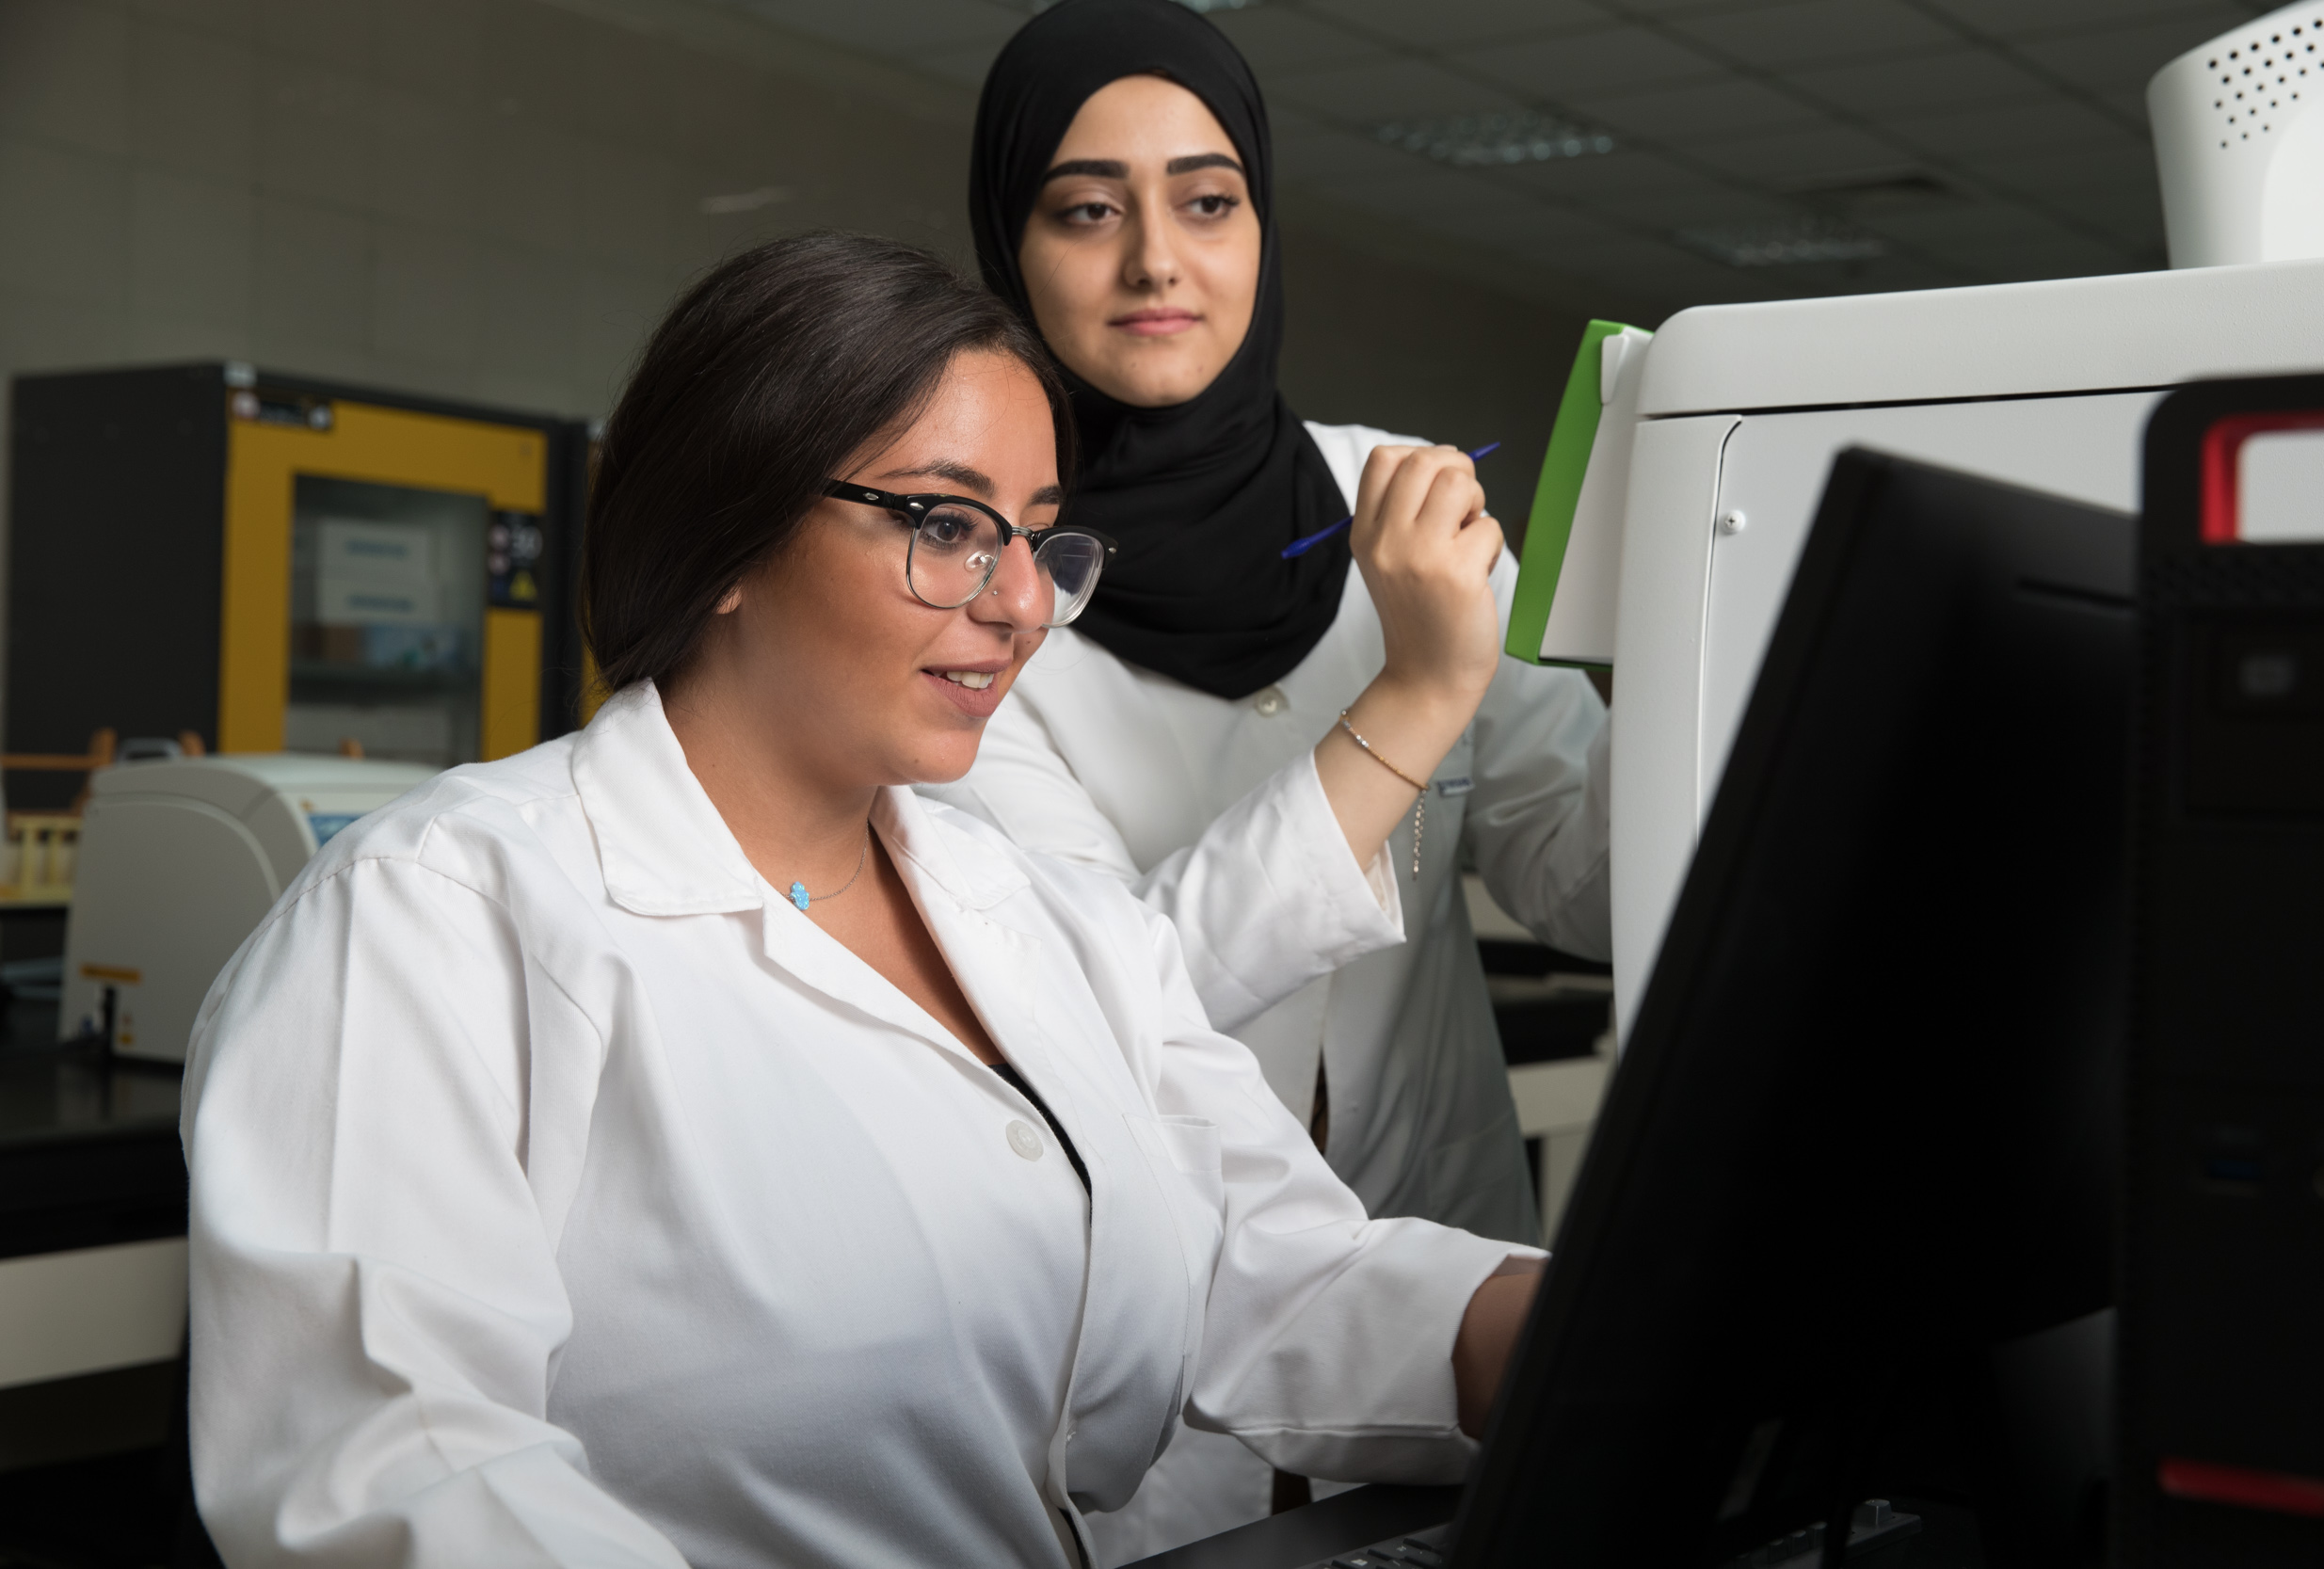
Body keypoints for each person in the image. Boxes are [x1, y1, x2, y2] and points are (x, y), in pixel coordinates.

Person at [178, 232, 1543, 1569]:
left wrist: (1606, 1322)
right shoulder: (436, 915)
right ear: (727, 532)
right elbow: (405, 1471)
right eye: (948, 526)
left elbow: (1279, 1271)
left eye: (1041, 543)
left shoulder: (1047, 914)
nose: (1019, 603)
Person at [943, 2, 1612, 1553]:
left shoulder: (1402, 507)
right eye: (1087, 208)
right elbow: (1114, 1007)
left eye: (1208, 199)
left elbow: (1585, 872)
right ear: (1011, 245)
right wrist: (1418, 693)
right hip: (1155, 1387)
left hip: (1453, 1307)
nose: (1157, 262)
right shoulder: (977, 595)